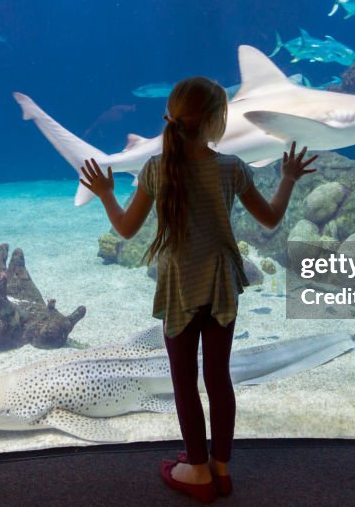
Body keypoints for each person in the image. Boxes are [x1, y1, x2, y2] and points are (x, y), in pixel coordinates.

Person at [79, 76, 317, 503]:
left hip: (179, 287)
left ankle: (197, 469)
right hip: (222, 282)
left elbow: (127, 229)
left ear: (170, 118)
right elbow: (270, 219)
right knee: (219, 378)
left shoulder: (155, 169)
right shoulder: (232, 167)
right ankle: (221, 468)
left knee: (184, 381)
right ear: (217, 121)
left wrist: (105, 194)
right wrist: (288, 178)